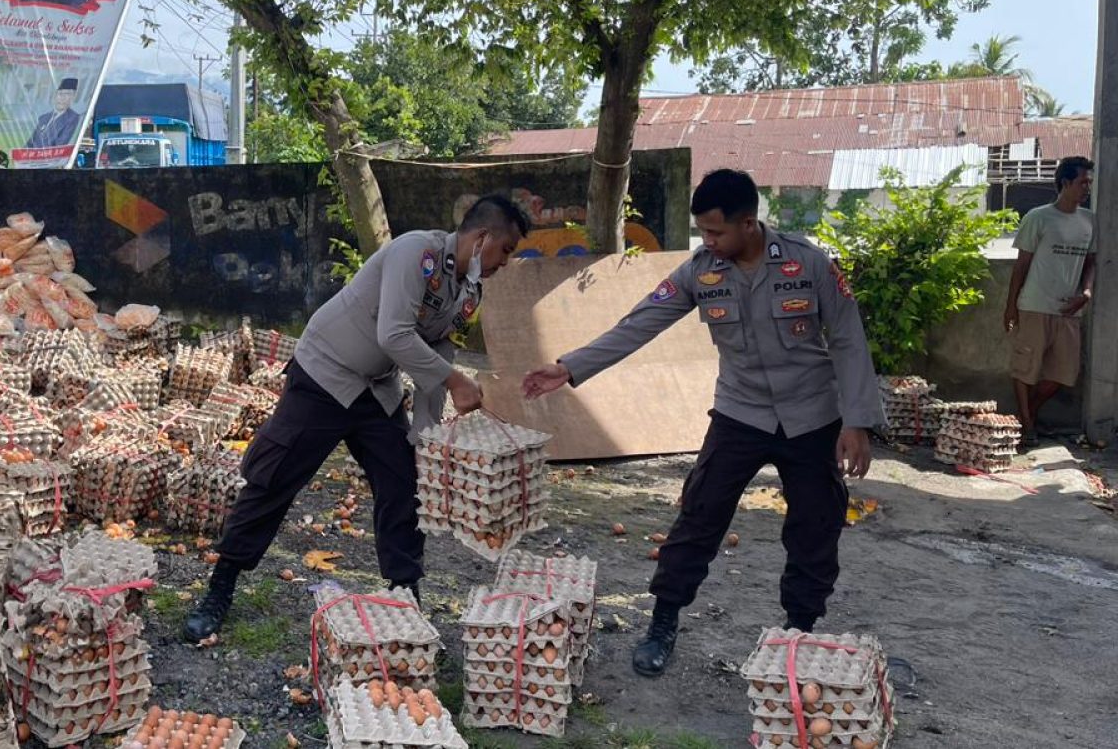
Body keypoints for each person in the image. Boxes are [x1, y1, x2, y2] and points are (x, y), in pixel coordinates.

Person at [523, 169, 883, 677]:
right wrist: (569, 366)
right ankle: (663, 622)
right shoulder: (701, 271)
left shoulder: (810, 264)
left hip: (811, 418)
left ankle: (798, 632)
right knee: (698, 517)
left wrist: (858, 421)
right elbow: (640, 322)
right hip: (740, 413)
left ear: (749, 223)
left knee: (816, 526)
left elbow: (847, 339)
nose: (708, 242)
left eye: (716, 232)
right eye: (703, 233)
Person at [182, 195, 531, 642]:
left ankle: (406, 599)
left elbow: (440, 350)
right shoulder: (415, 252)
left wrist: (426, 432)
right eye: (506, 250)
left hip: (375, 387)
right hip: (326, 370)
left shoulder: (469, 289)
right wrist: (456, 382)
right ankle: (220, 586)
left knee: (405, 483)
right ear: (483, 238)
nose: (506, 262)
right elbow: (395, 333)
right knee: (276, 477)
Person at [1004, 155, 1096, 435]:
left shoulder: (1090, 221)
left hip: (1069, 309)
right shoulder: (1038, 217)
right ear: (1065, 183)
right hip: (1034, 305)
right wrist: (1010, 307)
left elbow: (1090, 261)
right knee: (1025, 369)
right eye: (1082, 182)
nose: (1087, 188)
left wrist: (1087, 292)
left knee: (1064, 374)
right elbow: (1022, 265)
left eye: (1089, 183)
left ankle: (1025, 415)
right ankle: (1028, 424)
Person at [28, 78, 81, 148]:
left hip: (48, 157)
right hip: (31, 156)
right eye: (60, 94)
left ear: (72, 97)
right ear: (54, 96)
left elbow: (59, 145)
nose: (62, 98)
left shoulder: (72, 118)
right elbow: (30, 141)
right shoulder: (43, 118)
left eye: (67, 94)